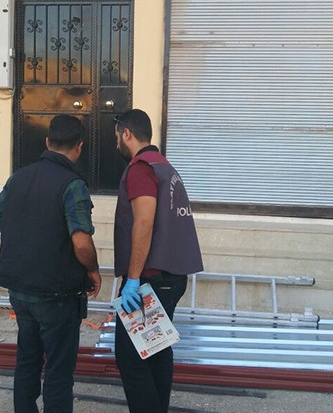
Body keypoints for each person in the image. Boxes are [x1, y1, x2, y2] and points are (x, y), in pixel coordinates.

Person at [0, 114, 101, 413]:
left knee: (27, 359)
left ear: (48, 141)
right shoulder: (73, 185)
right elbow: (81, 242)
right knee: (58, 369)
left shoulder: (18, 178)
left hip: (20, 289)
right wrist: (92, 270)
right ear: (79, 146)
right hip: (57, 293)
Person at [113, 109, 204, 413]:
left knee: (131, 358)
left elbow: (144, 222)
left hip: (150, 278)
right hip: (171, 276)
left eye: (117, 136)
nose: (116, 143)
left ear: (127, 134)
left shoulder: (141, 168)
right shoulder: (164, 166)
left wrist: (133, 279)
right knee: (157, 350)